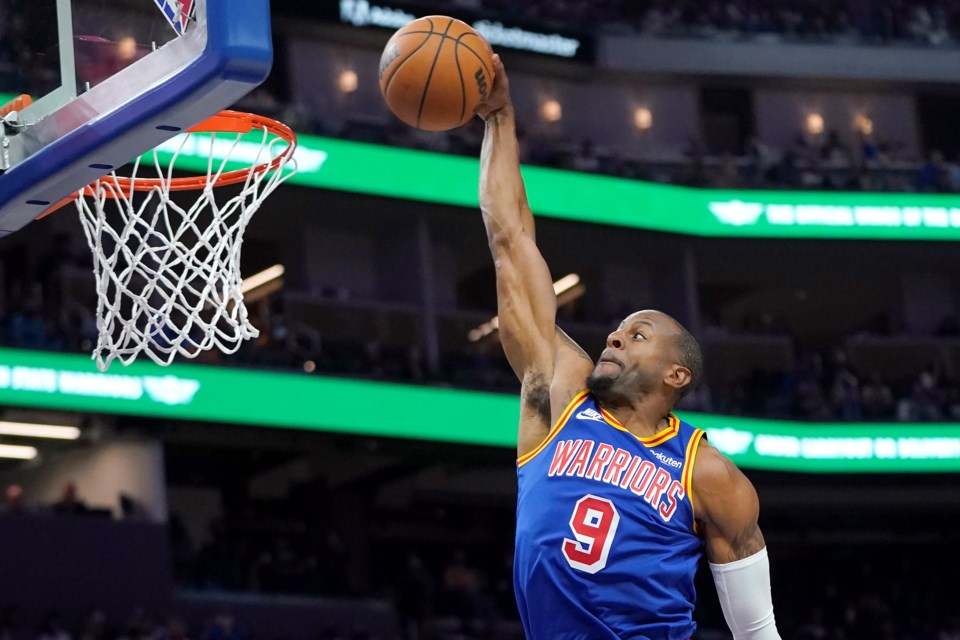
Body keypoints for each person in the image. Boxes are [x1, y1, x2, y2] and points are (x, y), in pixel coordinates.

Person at [476, 54, 781, 640]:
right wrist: (499, 119)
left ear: (676, 375)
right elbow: (509, 238)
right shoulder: (559, 394)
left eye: (638, 334)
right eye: (618, 329)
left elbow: (757, 629)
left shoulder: (708, 473)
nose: (613, 336)